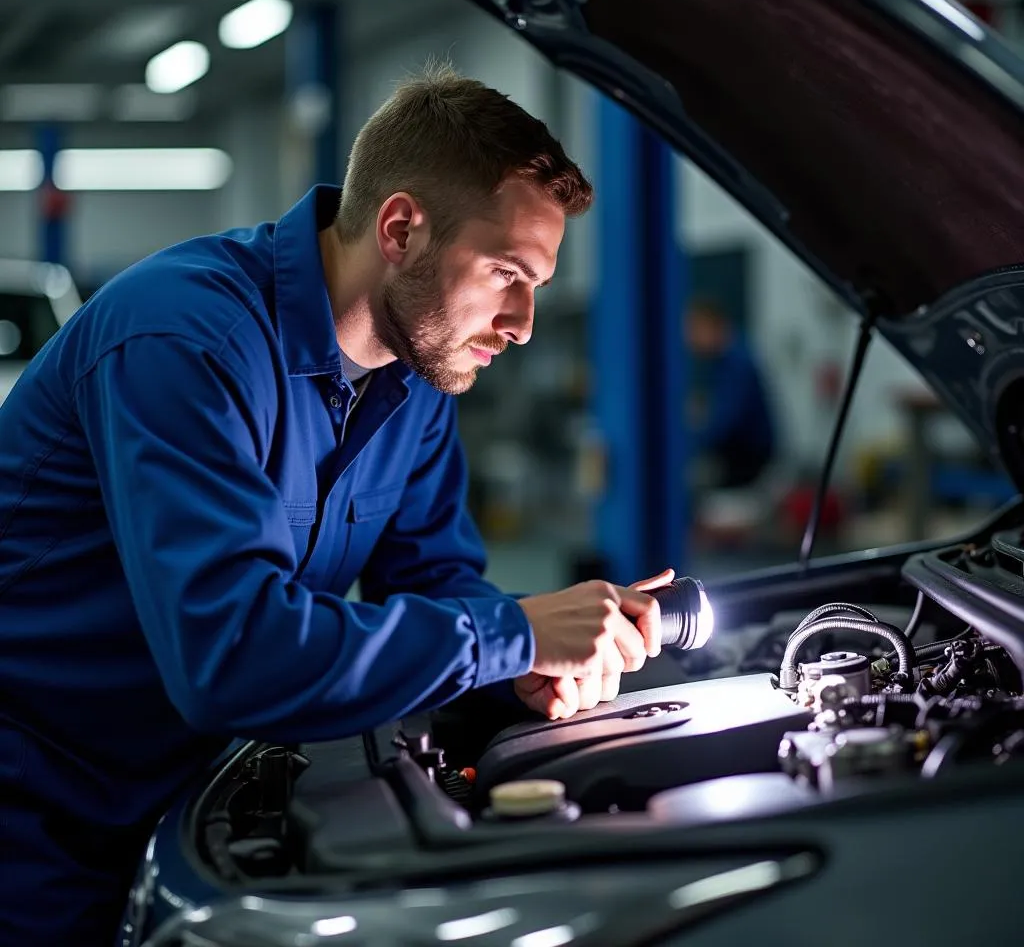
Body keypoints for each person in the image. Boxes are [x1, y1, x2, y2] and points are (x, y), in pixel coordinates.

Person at [0, 65, 673, 945]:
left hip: (184, 804)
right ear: (401, 227)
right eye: (507, 271)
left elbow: (436, 583)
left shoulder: (419, 375)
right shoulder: (183, 342)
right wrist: (511, 632)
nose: (523, 322)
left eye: (537, 284)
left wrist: (523, 667)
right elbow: (232, 656)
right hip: (33, 817)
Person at [686, 298, 775, 488]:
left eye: (695, 330)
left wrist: (689, 437)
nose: (691, 341)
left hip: (749, 464)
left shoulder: (736, 363)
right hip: (742, 460)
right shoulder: (722, 362)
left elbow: (725, 424)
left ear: (711, 326)